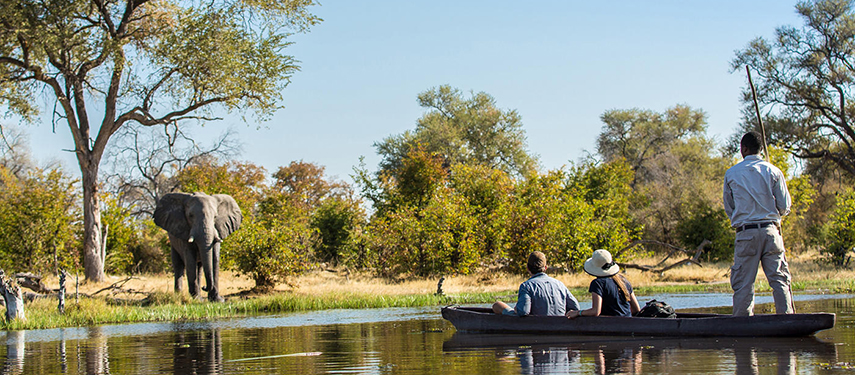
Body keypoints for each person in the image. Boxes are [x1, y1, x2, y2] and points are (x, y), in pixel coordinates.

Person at [723, 131, 794, 316]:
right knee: (779, 280)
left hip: (746, 233)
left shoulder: (731, 174)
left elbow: (730, 208)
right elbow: (785, 206)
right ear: (761, 149)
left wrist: (742, 219)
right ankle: (787, 319)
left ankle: (742, 324)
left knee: (743, 283)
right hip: (771, 231)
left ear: (744, 149)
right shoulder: (774, 171)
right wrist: (771, 216)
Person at [492, 251, 580, 316]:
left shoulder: (526, 286)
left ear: (528, 268)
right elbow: (576, 308)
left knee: (497, 305)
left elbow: (523, 312)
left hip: (536, 325)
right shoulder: (560, 284)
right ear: (545, 268)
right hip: (560, 325)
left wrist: (516, 309)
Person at [566, 249, 640, 319]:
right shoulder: (623, 280)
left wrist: (578, 312)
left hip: (609, 326)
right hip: (628, 325)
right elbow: (636, 309)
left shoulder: (597, 283)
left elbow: (595, 311)